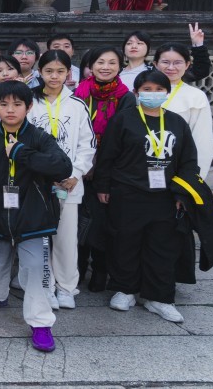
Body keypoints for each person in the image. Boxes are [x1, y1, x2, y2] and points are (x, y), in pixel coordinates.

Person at [0, 81, 73, 353]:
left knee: (36, 270)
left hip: (33, 218)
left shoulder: (39, 137)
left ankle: (40, 322)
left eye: (17, 104)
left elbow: (62, 166)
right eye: (4, 104)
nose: (10, 110)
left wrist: (20, 152)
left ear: (29, 107)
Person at [95, 70, 200, 323]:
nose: (152, 94)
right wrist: (103, 186)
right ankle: (125, 289)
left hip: (165, 196)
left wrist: (182, 194)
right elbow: (107, 155)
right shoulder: (123, 120)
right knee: (125, 242)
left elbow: (188, 160)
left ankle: (159, 297)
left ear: (167, 92)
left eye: (158, 90)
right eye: (147, 90)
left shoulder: (177, 122)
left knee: (163, 247)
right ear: (136, 93)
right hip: (127, 192)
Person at [27, 50, 95, 309]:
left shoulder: (77, 105)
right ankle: (44, 285)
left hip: (69, 183)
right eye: (48, 71)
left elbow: (87, 145)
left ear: (69, 73)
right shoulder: (31, 103)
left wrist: (75, 174)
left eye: (60, 71)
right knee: (39, 238)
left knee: (66, 238)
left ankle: (66, 288)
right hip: (38, 182)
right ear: (40, 72)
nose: (54, 76)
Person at [74, 46, 137, 292]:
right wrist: (83, 164)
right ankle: (77, 267)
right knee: (78, 220)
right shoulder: (78, 93)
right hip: (79, 167)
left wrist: (99, 168)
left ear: (120, 66)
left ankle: (100, 269)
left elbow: (124, 138)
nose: (105, 67)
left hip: (110, 169)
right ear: (90, 66)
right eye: (100, 62)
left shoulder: (126, 97)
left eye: (112, 62)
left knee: (102, 221)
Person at [154, 43, 213, 183]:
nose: (171, 67)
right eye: (165, 62)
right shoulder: (142, 93)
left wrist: (194, 180)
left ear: (187, 65)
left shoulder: (195, 96)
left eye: (177, 63)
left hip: (179, 169)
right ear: (155, 64)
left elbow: (202, 141)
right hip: (139, 169)